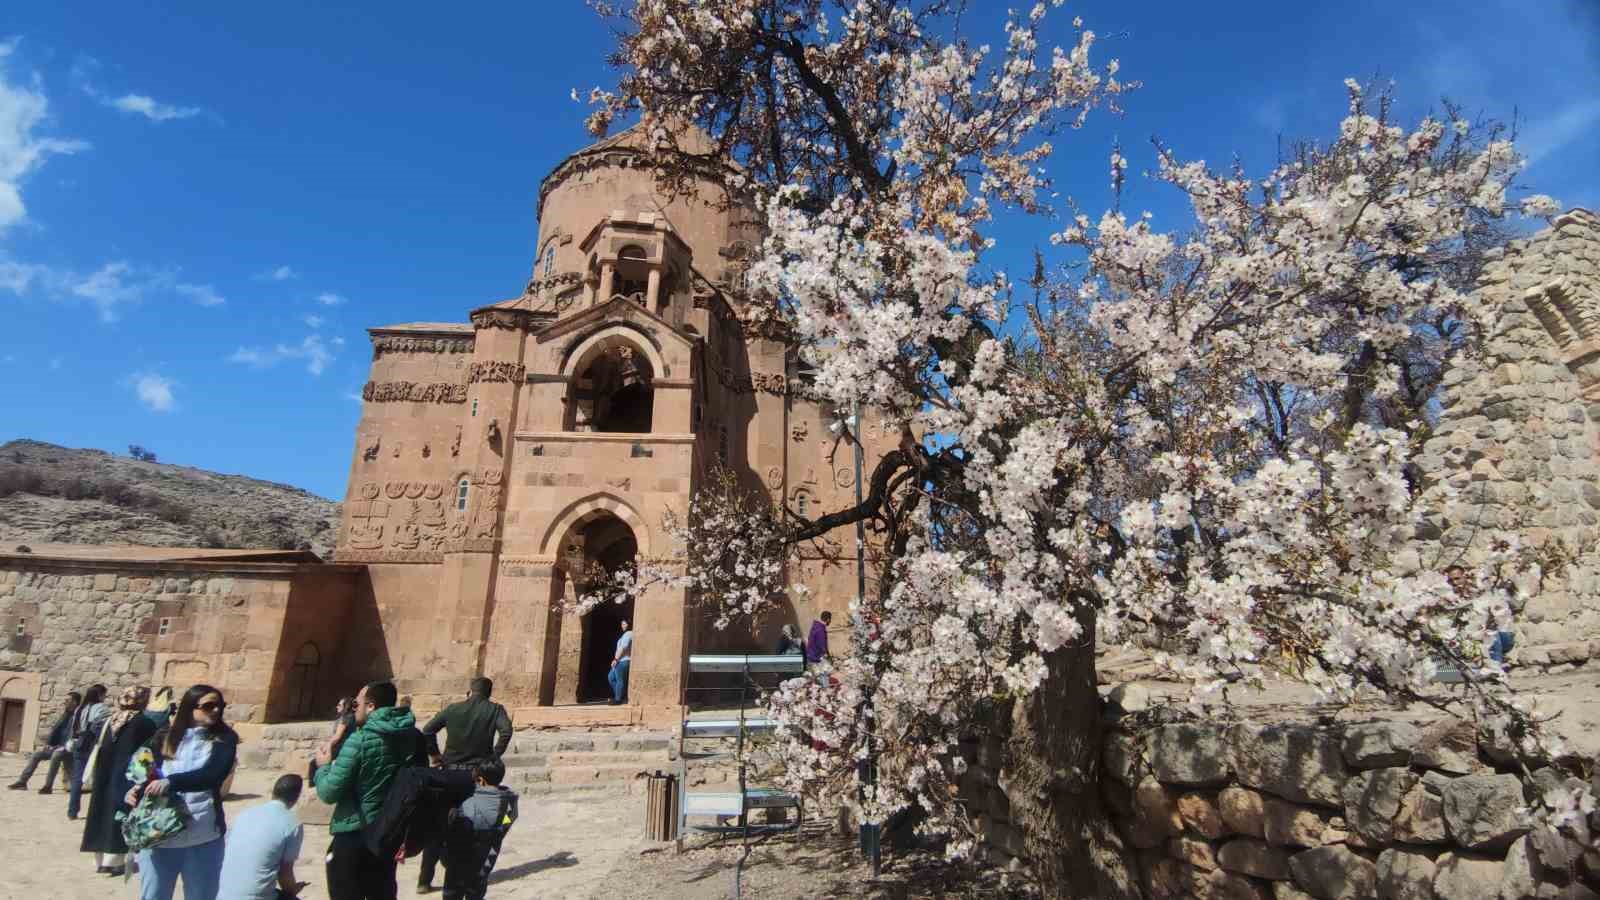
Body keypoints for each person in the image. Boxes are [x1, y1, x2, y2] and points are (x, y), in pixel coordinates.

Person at [314, 680, 427, 900]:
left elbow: (328, 792)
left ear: (372, 706)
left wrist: (323, 767)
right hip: (388, 833)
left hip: (354, 832)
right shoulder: (414, 738)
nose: (354, 707)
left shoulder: (360, 741)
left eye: (357, 703)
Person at [129, 684, 240, 900]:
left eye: (220, 706)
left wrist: (172, 782)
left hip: (203, 836)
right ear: (190, 708)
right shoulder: (165, 736)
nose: (216, 710)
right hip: (160, 835)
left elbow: (213, 774)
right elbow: (141, 765)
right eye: (209, 706)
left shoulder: (225, 739)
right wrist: (135, 788)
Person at [416, 678, 513, 894]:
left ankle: (424, 880)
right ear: (489, 693)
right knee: (470, 824)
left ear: (469, 691)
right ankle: (464, 872)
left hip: (448, 773)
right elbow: (506, 731)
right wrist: (492, 757)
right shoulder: (495, 710)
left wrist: (435, 755)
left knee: (438, 824)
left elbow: (428, 730)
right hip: (475, 776)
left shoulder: (453, 709)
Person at [81, 686, 160, 876]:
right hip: (127, 777)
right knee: (120, 814)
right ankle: (115, 862)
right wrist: (141, 780)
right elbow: (146, 752)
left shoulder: (111, 720)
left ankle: (100, 860)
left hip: (104, 775)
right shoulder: (145, 723)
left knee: (101, 812)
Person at [218, 774, 307, 900]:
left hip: (224, 894)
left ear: (273, 792)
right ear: (297, 797)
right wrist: (293, 889)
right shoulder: (292, 824)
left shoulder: (245, 814)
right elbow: (285, 874)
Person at [441, 759, 518, 900]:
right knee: (476, 893)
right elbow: (505, 824)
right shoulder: (509, 803)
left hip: (458, 861)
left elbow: (452, 827)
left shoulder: (466, 803)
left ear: (480, 780)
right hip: (486, 860)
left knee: (452, 893)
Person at [9, 691, 80, 793]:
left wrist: (62, 746)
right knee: (37, 754)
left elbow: (74, 736)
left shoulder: (78, 716)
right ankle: (22, 782)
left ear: (74, 702)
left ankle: (48, 786)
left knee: (56, 755)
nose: (65, 701)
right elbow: (56, 730)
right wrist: (49, 744)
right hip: (57, 747)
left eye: (67, 700)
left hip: (69, 749)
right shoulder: (65, 714)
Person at [66, 683, 109, 820]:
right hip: (92, 746)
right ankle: (95, 812)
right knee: (97, 778)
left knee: (77, 779)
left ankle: (72, 811)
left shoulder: (80, 709)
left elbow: (74, 728)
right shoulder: (101, 708)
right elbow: (101, 728)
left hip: (79, 744)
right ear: (100, 695)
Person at [308, 697, 356, 782]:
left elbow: (337, 736)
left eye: (339, 705)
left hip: (340, 747)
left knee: (313, 764)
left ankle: (313, 786)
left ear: (346, 706)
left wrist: (326, 747)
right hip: (347, 746)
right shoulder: (352, 717)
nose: (337, 707)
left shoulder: (346, 718)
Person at [607, 620, 633, 705]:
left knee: (619, 680)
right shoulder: (624, 635)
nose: (622, 626)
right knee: (611, 677)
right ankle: (621, 696)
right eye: (622, 624)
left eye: (624, 624)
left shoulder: (628, 634)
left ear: (629, 625)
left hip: (623, 660)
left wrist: (616, 659)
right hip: (620, 660)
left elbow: (623, 647)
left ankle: (618, 699)